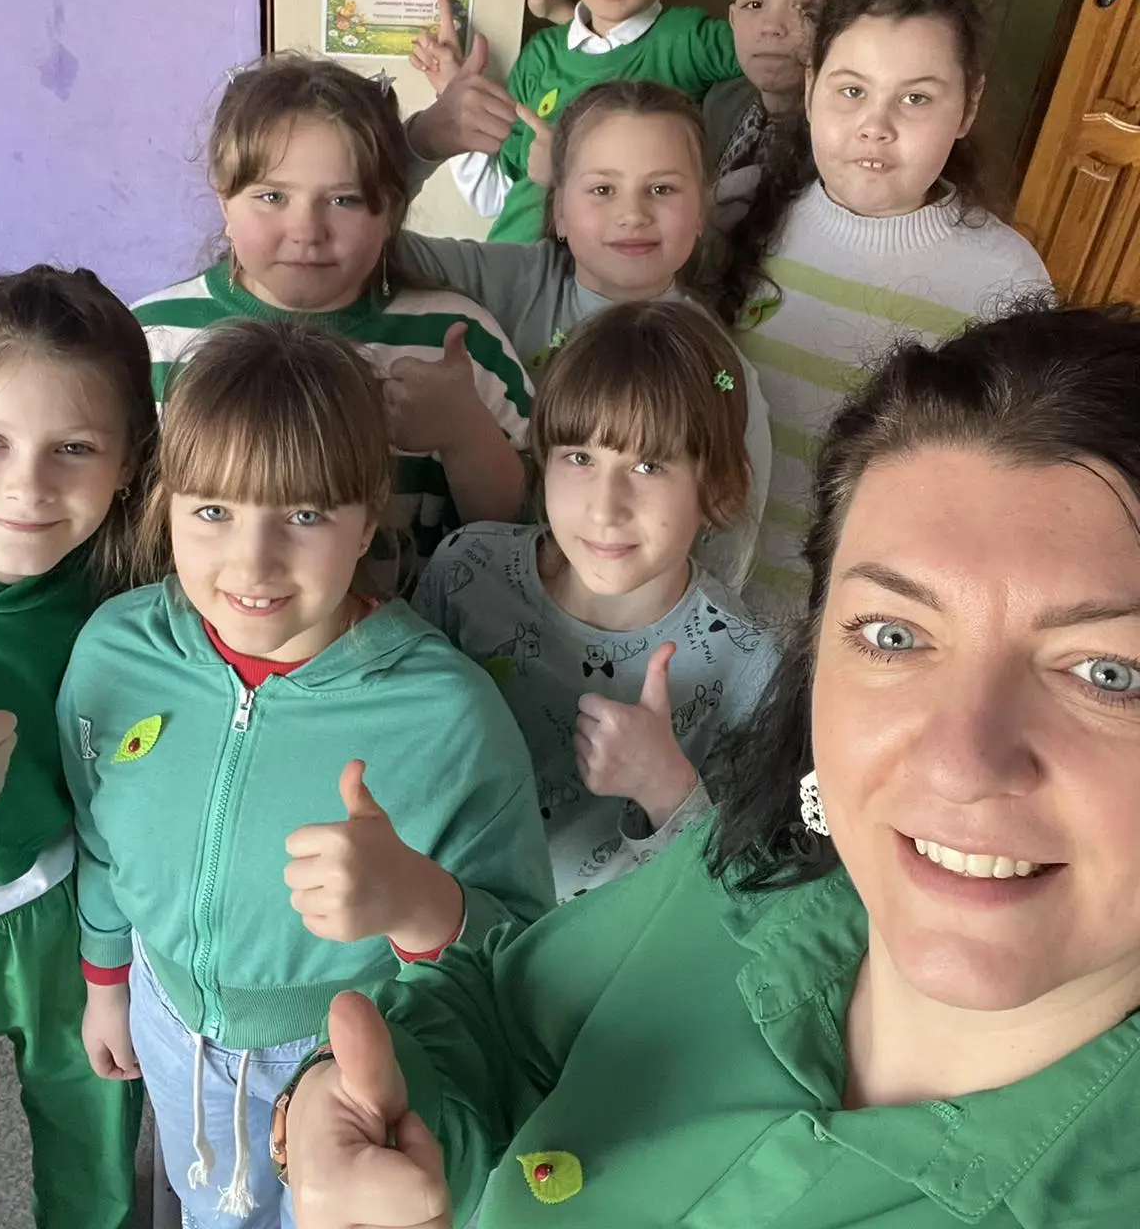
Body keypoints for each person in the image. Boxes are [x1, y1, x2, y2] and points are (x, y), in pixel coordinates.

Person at [279, 300, 1140, 1229]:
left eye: (1110, 673)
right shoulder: (748, 877)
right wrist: (360, 1101)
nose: (959, 765)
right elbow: (503, 1021)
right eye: (893, 635)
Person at [57, 320, 554, 1229]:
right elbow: (99, 829)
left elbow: (525, 960)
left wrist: (418, 900)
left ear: (368, 517)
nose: (252, 563)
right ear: (165, 504)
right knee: (208, 1210)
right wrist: (106, 978)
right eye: (213, 511)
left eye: (304, 515)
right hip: (167, 1019)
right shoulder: (115, 653)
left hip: (355, 1060)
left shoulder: (445, 716)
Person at [706, 0, 1052, 623]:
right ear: (811, 88)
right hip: (713, 605)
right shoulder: (742, 216)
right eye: (851, 90)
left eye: (916, 98)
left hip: (870, 626)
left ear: (968, 106)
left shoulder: (1006, 278)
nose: (876, 125)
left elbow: (1007, 483)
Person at [412, 302, 780, 903]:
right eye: (580, 458)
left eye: (649, 465)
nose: (606, 508)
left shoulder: (751, 667)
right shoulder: (464, 571)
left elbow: (743, 898)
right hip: (439, 923)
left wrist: (666, 789)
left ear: (718, 486)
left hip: (604, 954)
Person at [131, 53, 532, 592]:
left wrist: (466, 433)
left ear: (390, 212)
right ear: (224, 202)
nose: (307, 230)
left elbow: (530, 528)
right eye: (272, 196)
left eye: (343, 200)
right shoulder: (150, 340)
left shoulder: (457, 339)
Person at [0, 266, 155, 1229]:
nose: (28, 485)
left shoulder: (128, 595)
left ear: (127, 462)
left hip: (72, 917)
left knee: (97, 1168)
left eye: (74, 448)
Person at [396, 80, 772, 596]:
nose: (633, 214)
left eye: (662, 189)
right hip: (478, 603)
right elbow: (355, 243)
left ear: (703, 210)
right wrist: (420, 143)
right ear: (558, 211)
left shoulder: (719, 371)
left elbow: (725, 560)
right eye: (602, 189)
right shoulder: (513, 282)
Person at [409, 0, 740, 244]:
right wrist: (454, 95)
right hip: (509, 257)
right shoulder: (542, 54)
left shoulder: (687, 40)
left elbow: (772, 55)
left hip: (600, 268)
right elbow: (494, 196)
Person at [707, 0, 862, 229]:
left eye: (808, 8)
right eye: (754, 4)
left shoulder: (852, 144)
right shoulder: (720, 103)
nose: (772, 27)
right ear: (733, 19)